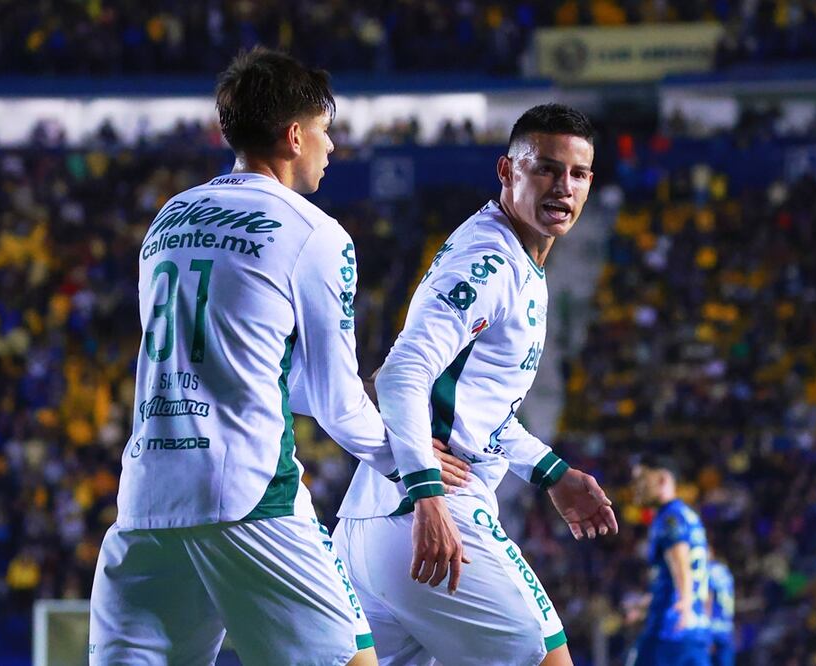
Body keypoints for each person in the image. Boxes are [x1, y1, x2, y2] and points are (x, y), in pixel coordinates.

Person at [89, 47, 459, 666]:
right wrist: (412, 464)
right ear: (293, 136)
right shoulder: (314, 233)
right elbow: (339, 403)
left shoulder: (169, 218)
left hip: (147, 498)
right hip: (250, 499)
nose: (331, 146)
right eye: (324, 130)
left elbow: (242, 364)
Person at [335, 104, 618, 666]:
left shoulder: (514, 256)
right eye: (545, 168)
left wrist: (551, 471)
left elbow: (473, 405)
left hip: (372, 522)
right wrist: (426, 495)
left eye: (578, 174)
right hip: (429, 517)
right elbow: (400, 374)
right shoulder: (489, 261)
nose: (563, 187)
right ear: (507, 171)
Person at [629, 455, 711, 666]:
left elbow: (680, 561)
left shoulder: (669, 517)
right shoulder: (689, 516)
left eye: (641, 479)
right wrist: (645, 604)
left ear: (662, 479)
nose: (635, 486)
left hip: (670, 630)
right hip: (695, 630)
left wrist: (684, 602)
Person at [707, 552, 735, 666]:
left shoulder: (706, 571)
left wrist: (707, 634)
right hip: (726, 628)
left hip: (712, 628)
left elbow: (707, 599)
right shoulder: (725, 571)